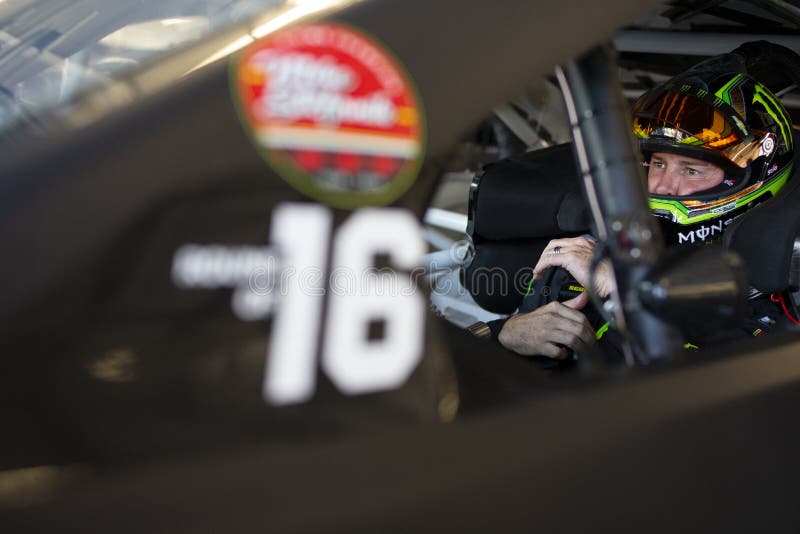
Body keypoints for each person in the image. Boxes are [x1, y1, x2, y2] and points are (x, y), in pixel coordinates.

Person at [494, 41, 798, 360]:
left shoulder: (782, 290)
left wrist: (627, 289)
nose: (663, 186)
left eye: (692, 170)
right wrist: (504, 334)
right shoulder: (583, 260)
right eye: (659, 164)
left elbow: (726, 396)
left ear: (750, 176)